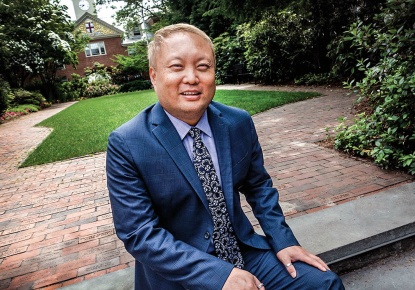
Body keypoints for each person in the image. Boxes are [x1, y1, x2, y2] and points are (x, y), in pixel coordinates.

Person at [106, 23, 344, 290]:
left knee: (323, 283)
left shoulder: (237, 123)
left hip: (243, 251)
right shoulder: (127, 143)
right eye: (176, 66)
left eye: (203, 66)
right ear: (153, 75)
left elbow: (258, 187)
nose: (192, 77)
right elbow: (139, 233)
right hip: (178, 272)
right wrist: (217, 275)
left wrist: (283, 239)